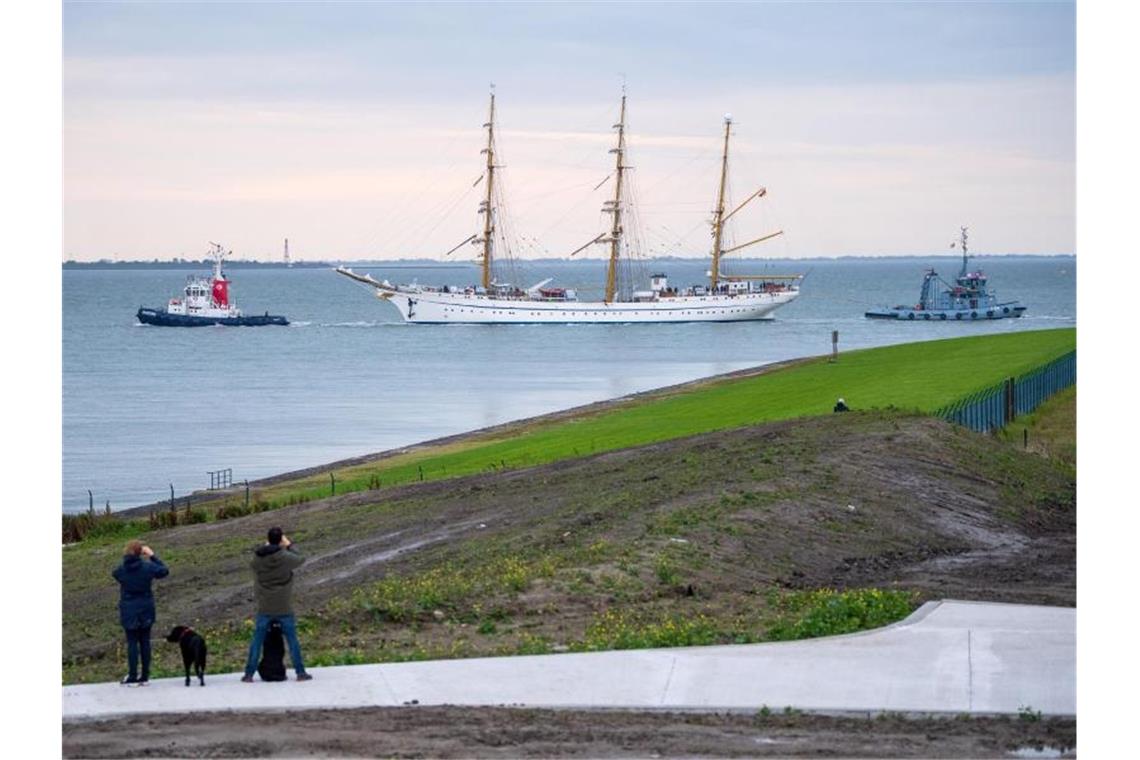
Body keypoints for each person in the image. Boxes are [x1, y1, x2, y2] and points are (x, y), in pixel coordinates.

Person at [242, 527, 312, 682]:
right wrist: (289, 545)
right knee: (292, 641)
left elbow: (252, 564)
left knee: (257, 642)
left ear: (268, 539)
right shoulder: (286, 557)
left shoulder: (257, 560)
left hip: (265, 607)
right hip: (284, 607)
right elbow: (301, 558)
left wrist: (267, 547)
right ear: (281, 540)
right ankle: (300, 673)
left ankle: (248, 674)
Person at [112, 540, 169, 686]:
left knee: (132, 642)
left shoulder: (120, 571)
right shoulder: (148, 568)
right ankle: (144, 676)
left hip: (129, 608)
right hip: (146, 607)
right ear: (141, 553)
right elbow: (164, 571)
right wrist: (152, 556)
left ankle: (132, 675)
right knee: (145, 641)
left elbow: (116, 573)